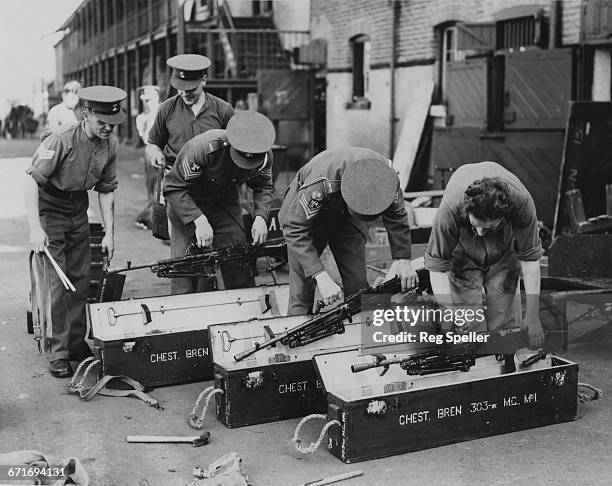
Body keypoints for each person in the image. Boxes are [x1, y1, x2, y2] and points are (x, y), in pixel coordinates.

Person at [24, 85, 127, 378]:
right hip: (50, 207)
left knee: (81, 280)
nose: (108, 128)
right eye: (102, 123)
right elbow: (31, 181)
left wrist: (110, 233)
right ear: (86, 114)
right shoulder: (61, 139)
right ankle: (58, 352)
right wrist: (35, 228)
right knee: (58, 283)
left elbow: (106, 190)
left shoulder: (111, 144)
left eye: (113, 123)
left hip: (78, 209)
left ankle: (74, 342)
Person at [279, 147, 417, 316]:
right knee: (302, 287)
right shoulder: (321, 184)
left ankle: (357, 334)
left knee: (358, 287)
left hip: (348, 218)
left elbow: (397, 216)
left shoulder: (387, 179)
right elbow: (294, 228)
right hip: (309, 221)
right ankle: (296, 327)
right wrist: (321, 276)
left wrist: (403, 261)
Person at [424, 161, 545, 347]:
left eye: (488, 227)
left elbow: (530, 263)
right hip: (462, 251)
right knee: (465, 323)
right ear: (467, 211)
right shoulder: (451, 208)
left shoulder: (521, 203)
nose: (480, 233)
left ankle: (504, 360)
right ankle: (474, 364)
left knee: (505, 321)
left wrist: (533, 316)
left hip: (504, 248)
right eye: (476, 225)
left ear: (504, 215)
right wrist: (448, 310)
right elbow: (437, 266)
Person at [163, 110, 275, 294]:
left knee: (237, 259)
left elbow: (263, 186)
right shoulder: (204, 148)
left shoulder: (264, 155)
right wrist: (198, 220)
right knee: (186, 268)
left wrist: (261, 217)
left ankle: (240, 314)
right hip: (188, 203)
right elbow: (173, 188)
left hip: (225, 203)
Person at [147, 54, 234, 169]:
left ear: (203, 80)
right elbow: (154, 143)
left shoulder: (223, 109)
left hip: (213, 180)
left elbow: (235, 147)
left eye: (191, 89)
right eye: (180, 89)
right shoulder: (166, 109)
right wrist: (156, 154)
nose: (185, 94)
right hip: (176, 179)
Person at [135, 85, 161, 229]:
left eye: (150, 100)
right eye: (145, 101)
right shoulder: (142, 117)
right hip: (150, 151)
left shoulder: (163, 111)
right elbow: (144, 138)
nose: (147, 103)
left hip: (161, 152)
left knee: (159, 187)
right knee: (152, 186)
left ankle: (149, 216)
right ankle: (148, 217)